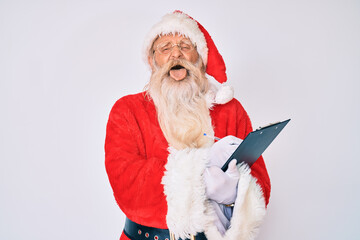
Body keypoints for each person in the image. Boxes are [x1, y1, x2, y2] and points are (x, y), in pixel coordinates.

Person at [105, 11, 271, 240]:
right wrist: (200, 178)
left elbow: (260, 180)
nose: (176, 54)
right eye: (165, 48)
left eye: (185, 46)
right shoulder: (127, 111)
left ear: (200, 58)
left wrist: (233, 193)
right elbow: (127, 184)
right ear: (153, 61)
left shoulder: (231, 111)